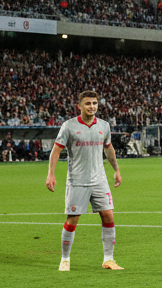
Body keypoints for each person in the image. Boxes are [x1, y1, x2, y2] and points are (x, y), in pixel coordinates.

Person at [45, 90, 123, 271]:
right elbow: (56, 150)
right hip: (77, 180)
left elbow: (109, 149)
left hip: (99, 180)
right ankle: (65, 259)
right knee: (72, 219)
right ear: (79, 106)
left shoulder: (104, 126)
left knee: (108, 216)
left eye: (94, 103)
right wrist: (51, 173)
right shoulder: (69, 126)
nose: (92, 107)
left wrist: (117, 170)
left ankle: (109, 259)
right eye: (88, 103)